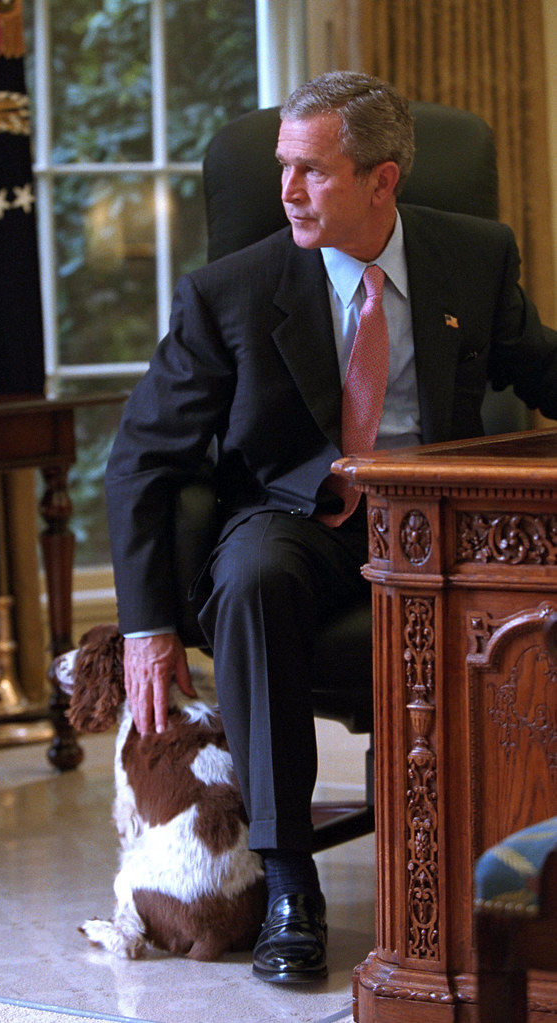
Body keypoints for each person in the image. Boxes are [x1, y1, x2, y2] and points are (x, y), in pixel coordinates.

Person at [104, 70, 557, 984]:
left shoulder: (475, 256)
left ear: (381, 181)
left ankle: (518, 854)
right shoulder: (228, 292)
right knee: (255, 576)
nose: (287, 191)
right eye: (281, 168)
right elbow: (140, 459)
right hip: (295, 515)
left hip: (435, 525)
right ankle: (287, 879)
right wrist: (148, 628)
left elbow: (542, 372)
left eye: (311, 171)